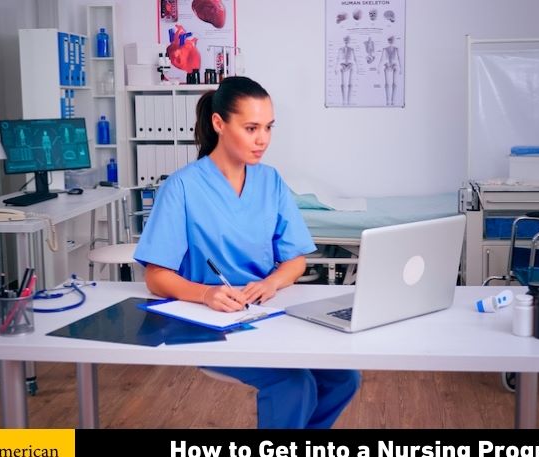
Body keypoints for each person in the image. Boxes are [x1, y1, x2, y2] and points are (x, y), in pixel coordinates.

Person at [134, 76, 361, 429]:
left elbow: (295, 259)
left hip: (267, 312)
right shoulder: (181, 187)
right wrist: (206, 293)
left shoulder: (270, 181)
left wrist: (272, 283)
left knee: (344, 378)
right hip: (207, 321)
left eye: (269, 127)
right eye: (252, 127)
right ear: (219, 123)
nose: (263, 139)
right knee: (293, 384)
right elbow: (155, 276)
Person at [378, 35, 401, 106]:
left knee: (394, 84)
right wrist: (379, 67)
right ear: (388, 41)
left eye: (391, 40)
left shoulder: (396, 49)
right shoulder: (385, 49)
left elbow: (398, 59)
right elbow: (381, 59)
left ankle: (392, 101)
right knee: (387, 84)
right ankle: (387, 100)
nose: (390, 42)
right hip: (387, 66)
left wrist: (400, 68)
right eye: (389, 40)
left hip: (393, 66)